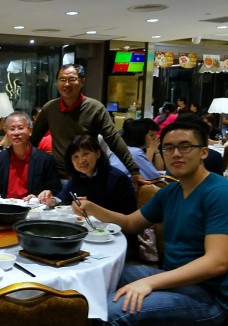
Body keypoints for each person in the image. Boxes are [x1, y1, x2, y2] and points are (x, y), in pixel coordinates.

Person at [73, 120, 228, 325]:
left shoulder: (220, 192)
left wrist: (149, 282)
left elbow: (217, 262)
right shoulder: (170, 192)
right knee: (94, 277)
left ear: (204, 152)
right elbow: (130, 223)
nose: (176, 154)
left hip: (210, 295)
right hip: (172, 275)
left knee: (108, 312)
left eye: (185, 146)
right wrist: (92, 207)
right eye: (169, 148)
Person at [29, 64, 141, 185]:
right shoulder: (50, 108)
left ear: (82, 82)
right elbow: (33, 140)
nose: (66, 84)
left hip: (88, 176)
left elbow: (113, 140)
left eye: (72, 79)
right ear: (57, 83)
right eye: (62, 80)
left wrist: (134, 170)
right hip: (58, 176)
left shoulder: (95, 108)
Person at [0, 111, 61, 200]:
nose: (16, 133)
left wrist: (40, 196)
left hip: (33, 208)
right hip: (6, 209)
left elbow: (55, 189)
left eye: (21, 128)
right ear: (7, 132)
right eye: (12, 129)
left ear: (30, 131)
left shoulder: (45, 159)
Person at [39, 133, 136, 215]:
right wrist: (51, 200)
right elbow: (62, 199)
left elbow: (128, 216)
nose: (81, 160)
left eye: (85, 154)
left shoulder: (117, 179)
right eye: (76, 156)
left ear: (98, 153)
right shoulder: (77, 177)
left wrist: (92, 208)